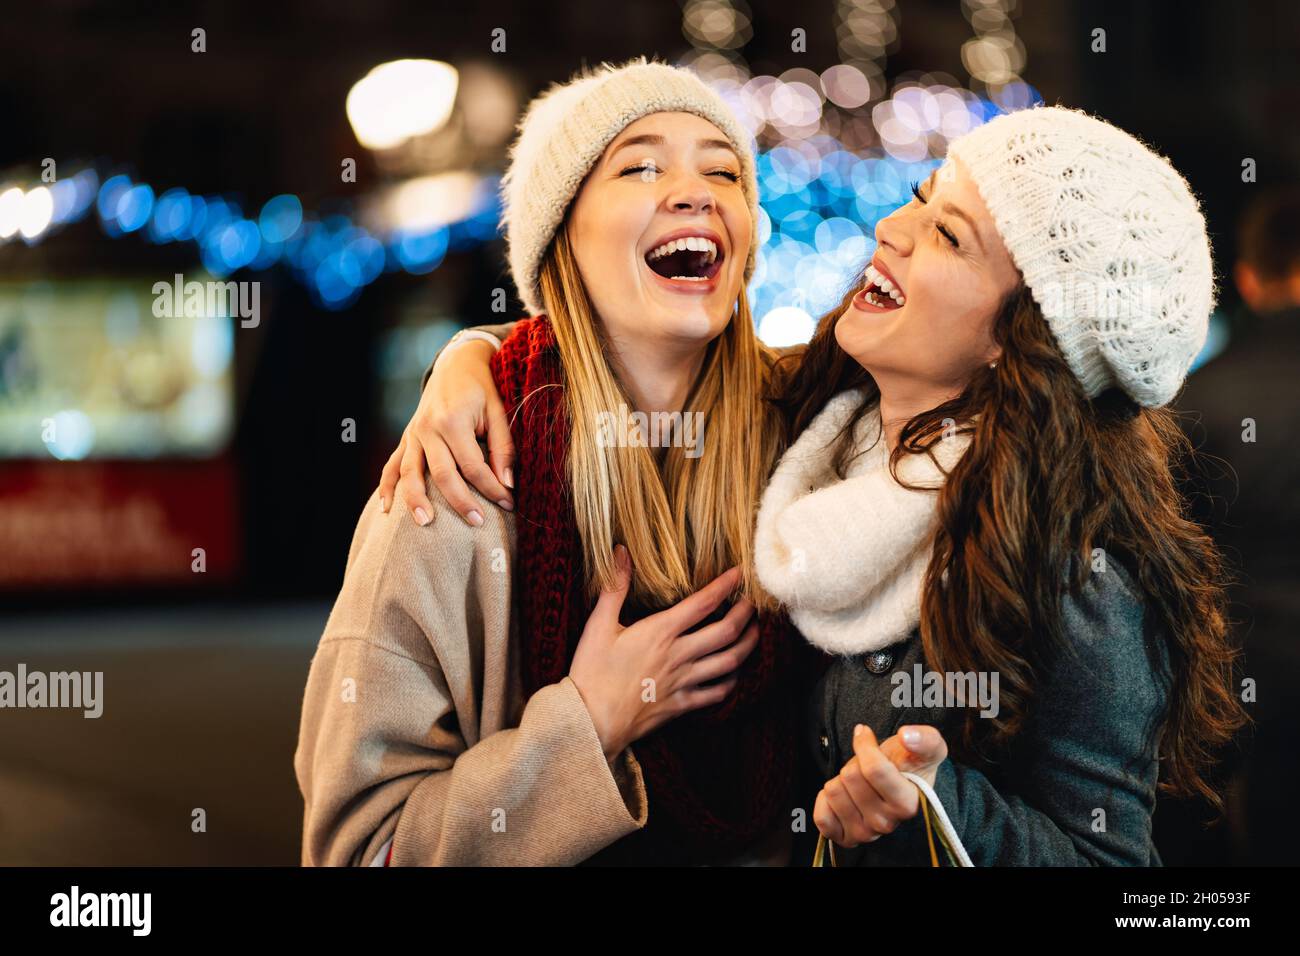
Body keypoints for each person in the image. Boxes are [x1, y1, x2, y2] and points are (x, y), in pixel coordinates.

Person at [401, 105, 1248, 866]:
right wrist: (475, 356)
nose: (893, 227)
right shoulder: (809, 420)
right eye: (920, 195)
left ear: (1020, 339)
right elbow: (625, 349)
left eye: (948, 236)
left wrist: (934, 808)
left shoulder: (1071, 567)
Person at [294, 57, 809, 867]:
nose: (695, 189)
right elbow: (362, 850)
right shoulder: (455, 487)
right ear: (560, 234)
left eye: (724, 170)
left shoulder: (814, 440)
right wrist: (588, 724)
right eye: (638, 165)